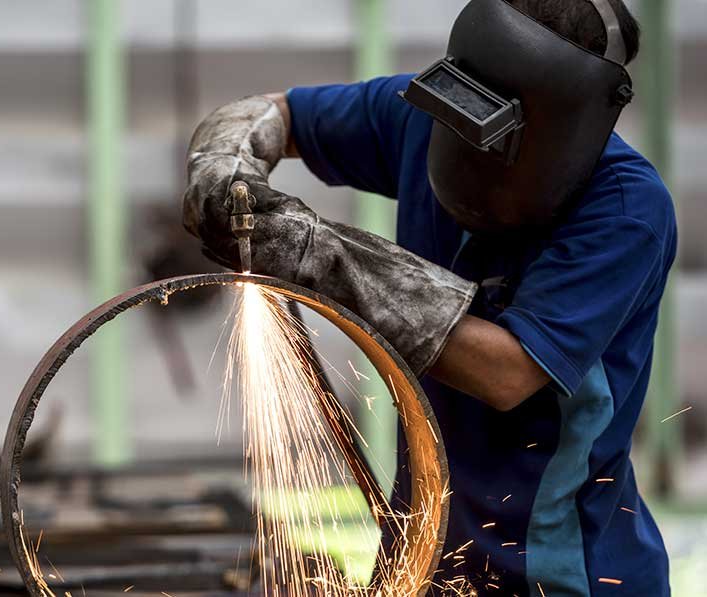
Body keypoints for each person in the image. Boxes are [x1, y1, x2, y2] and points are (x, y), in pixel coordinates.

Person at [181, 0, 675, 594]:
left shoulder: (623, 211)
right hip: (423, 561)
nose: (475, 144)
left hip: (557, 574)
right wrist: (225, 163)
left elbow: (505, 372)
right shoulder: (426, 114)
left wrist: (321, 255)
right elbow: (276, 114)